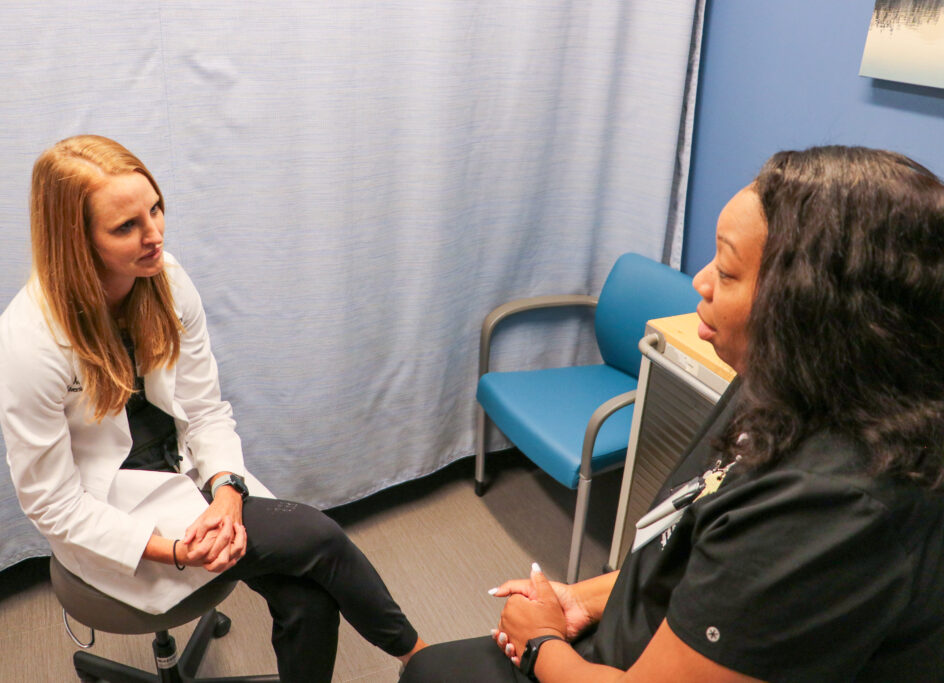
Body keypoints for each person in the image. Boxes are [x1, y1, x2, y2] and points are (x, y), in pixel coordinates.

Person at [401, 145, 944, 682]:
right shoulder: (782, 381)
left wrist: (540, 645)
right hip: (635, 633)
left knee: (431, 674)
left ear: (813, 306)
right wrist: (581, 600)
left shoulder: (827, 510)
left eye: (728, 272)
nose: (701, 283)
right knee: (432, 667)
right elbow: (689, 549)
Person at [0, 134, 426, 683]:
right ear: (75, 241)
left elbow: (205, 409)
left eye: (156, 209)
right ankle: (423, 660)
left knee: (306, 600)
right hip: (117, 515)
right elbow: (51, 503)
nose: (155, 236)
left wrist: (227, 492)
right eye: (126, 227)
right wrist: (173, 551)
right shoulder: (26, 343)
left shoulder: (163, 281)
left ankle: (422, 661)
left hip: (191, 477)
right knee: (318, 537)